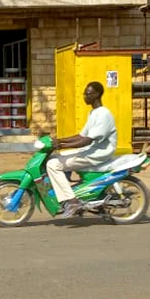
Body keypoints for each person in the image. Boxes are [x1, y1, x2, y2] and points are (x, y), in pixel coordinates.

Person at [46, 81, 117, 218]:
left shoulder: (103, 114)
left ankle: (72, 201)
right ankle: (67, 191)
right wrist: (59, 141)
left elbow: (87, 140)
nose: (85, 96)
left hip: (98, 153)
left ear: (97, 95)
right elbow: (81, 136)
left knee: (53, 165)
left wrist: (62, 145)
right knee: (56, 157)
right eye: (84, 93)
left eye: (88, 94)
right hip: (92, 150)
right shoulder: (94, 113)